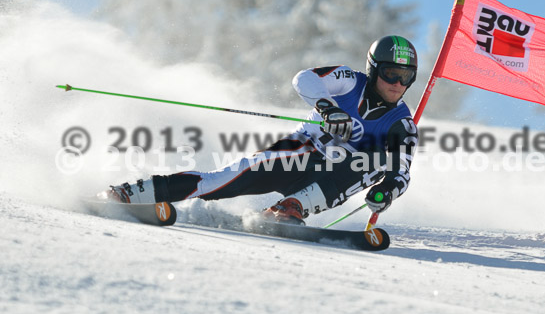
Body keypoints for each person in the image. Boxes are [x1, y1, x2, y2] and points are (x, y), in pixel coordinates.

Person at [103, 35, 419, 225]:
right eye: (391, 74)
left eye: (406, 78)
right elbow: (304, 78)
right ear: (374, 69)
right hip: (301, 152)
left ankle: (291, 208)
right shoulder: (350, 81)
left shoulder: (401, 124)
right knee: (222, 180)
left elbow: (400, 171)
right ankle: (131, 193)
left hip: (331, 180)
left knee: (377, 160)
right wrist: (329, 107)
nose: (398, 84)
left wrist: (385, 192)